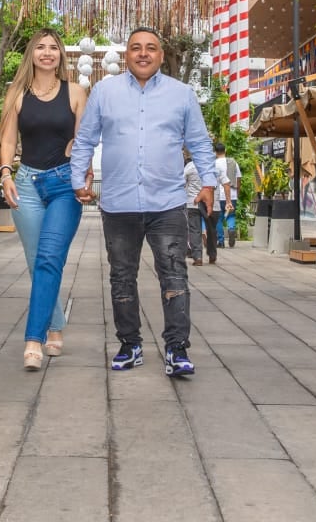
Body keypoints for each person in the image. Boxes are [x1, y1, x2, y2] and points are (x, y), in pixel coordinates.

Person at [71, 26, 216, 378]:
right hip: (118, 204)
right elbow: (85, 139)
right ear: (127, 55)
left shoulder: (182, 95)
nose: (143, 53)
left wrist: (209, 183)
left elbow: (199, 141)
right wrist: (78, 180)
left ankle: (177, 349)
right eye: (136, 47)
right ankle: (130, 344)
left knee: (174, 274)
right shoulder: (104, 92)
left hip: (167, 202)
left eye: (151, 48)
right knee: (122, 277)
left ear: (161, 56)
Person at [0, 28, 89, 372]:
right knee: (37, 261)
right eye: (41, 47)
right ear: (31, 54)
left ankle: (33, 341)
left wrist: (85, 176)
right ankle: (55, 326)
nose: (47, 52)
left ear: (60, 54)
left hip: (64, 184)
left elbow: (84, 141)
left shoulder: (76, 92)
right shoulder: (17, 94)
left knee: (49, 258)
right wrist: (5, 173)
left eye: (53, 47)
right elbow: (7, 140)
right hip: (26, 184)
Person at [214, 142, 241, 248]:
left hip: (218, 196)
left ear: (215, 152)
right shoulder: (234, 162)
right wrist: (237, 192)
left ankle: (220, 241)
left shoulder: (214, 164)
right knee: (231, 215)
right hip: (232, 194)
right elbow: (239, 179)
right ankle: (231, 228)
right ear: (225, 151)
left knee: (218, 218)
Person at [183, 154, 205, 266]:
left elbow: (182, 181)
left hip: (193, 202)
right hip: (208, 202)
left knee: (194, 230)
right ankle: (212, 253)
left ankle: (198, 256)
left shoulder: (190, 166)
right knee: (211, 228)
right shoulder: (209, 165)